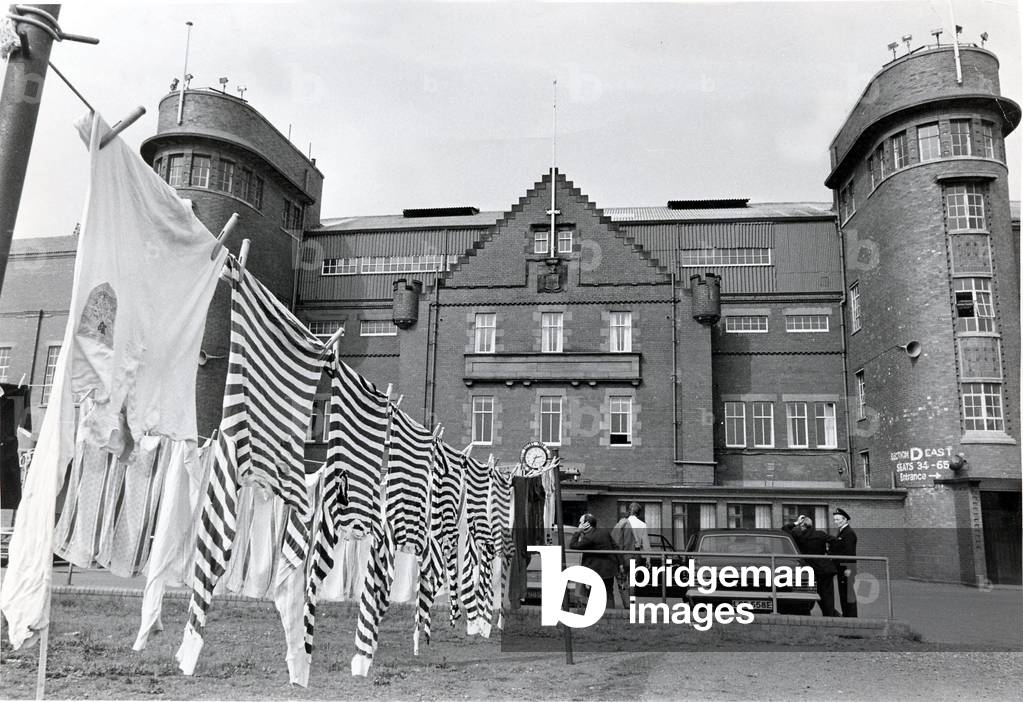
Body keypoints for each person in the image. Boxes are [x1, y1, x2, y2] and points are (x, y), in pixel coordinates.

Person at [784, 515, 837, 617]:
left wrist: (796, 523)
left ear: (802, 526)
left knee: (808, 594)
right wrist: (829, 553)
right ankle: (830, 616)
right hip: (824, 569)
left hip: (808, 570)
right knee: (827, 596)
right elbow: (834, 541)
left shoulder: (798, 535)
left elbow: (785, 529)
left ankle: (806, 614)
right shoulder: (821, 534)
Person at [569, 514, 622, 608]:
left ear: (586, 524)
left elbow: (573, 545)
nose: (579, 525)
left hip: (596, 569)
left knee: (593, 593)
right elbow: (615, 546)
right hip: (609, 568)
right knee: (608, 592)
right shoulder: (603, 531)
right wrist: (620, 563)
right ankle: (611, 614)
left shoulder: (589, 537)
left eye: (580, 523)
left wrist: (578, 531)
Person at [828, 507, 858, 617]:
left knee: (848, 594)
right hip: (842, 568)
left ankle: (851, 617)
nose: (835, 522)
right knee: (843, 594)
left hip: (846, 569)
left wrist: (849, 568)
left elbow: (849, 552)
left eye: (837, 519)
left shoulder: (848, 533)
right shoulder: (842, 532)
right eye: (834, 520)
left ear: (844, 519)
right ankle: (847, 615)